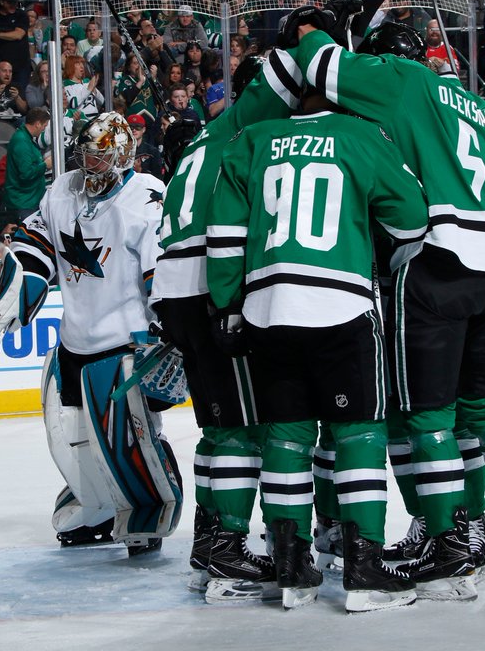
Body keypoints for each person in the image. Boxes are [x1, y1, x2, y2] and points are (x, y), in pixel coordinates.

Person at [288, 15, 485, 599]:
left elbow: (320, 63)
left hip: (434, 259)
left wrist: (320, 24)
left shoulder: (399, 80)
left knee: (426, 419)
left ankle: (449, 540)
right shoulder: (473, 104)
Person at [206, 82, 428, 613]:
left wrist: (227, 302)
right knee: (359, 436)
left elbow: (225, 232)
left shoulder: (255, 138)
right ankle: (365, 573)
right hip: (340, 307)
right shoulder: (359, 134)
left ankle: (290, 572)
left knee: (285, 438)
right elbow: (411, 217)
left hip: (267, 309)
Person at [0, 110, 180, 556]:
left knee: (130, 437)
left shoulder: (148, 196)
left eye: (99, 157)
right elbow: (36, 244)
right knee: (73, 435)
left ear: (123, 155)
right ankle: (97, 507)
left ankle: (144, 510)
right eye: (84, 154)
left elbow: (158, 270)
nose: (89, 164)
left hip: (126, 343)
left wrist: (167, 327)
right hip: (73, 340)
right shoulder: (62, 189)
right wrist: (20, 283)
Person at [152, 53, 297, 603]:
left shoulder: (201, 141)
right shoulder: (242, 129)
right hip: (206, 285)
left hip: (176, 288)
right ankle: (229, 552)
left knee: (218, 427)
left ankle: (209, 547)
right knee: (240, 427)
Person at [2, 106, 52, 219]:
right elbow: (26, 173)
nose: (44, 129)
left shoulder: (27, 138)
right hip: (24, 203)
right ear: (38, 124)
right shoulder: (22, 141)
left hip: (30, 199)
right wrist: (45, 165)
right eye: (44, 126)